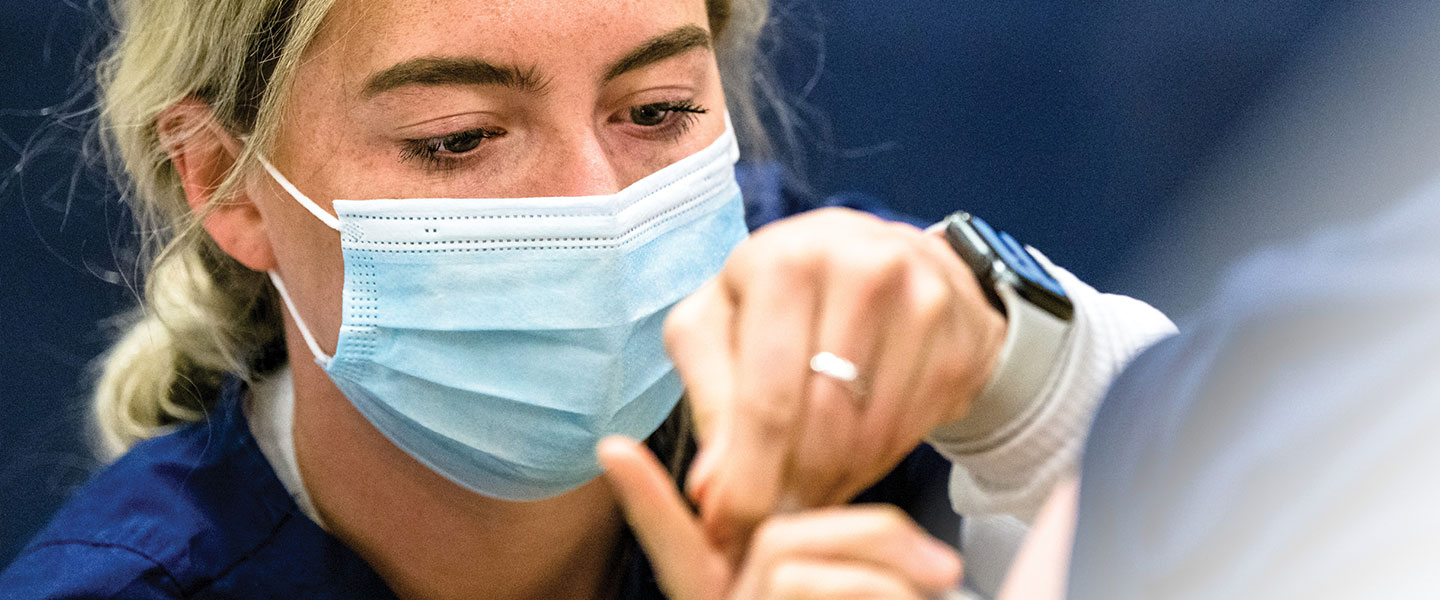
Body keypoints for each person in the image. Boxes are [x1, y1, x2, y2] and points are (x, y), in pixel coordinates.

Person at [0, 0, 1172, 598]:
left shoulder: (824, 336)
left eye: (656, 111)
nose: (596, 206)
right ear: (223, 181)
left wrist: (1020, 370)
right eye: (458, 140)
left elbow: (1289, 487)